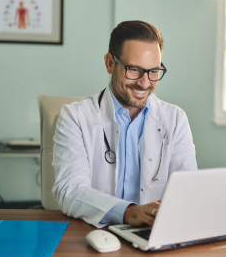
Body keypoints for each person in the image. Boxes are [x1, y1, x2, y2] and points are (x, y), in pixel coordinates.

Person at [52, 20, 197, 228]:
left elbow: (188, 191)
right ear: (110, 63)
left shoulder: (175, 119)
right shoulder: (75, 117)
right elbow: (70, 190)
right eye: (134, 70)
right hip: (93, 232)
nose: (144, 83)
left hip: (153, 235)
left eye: (154, 71)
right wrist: (128, 212)